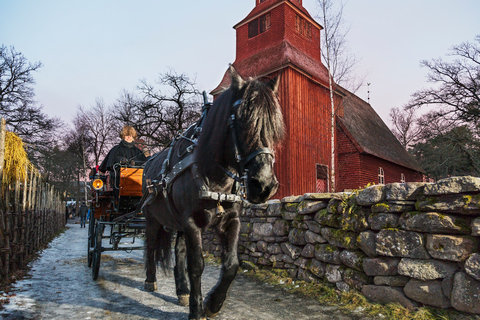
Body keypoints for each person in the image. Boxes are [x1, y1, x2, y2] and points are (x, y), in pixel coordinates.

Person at [98, 125, 150, 200]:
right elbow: (112, 159)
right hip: (119, 179)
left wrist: (135, 163)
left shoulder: (138, 152)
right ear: (123, 136)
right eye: (126, 135)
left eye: (131, 135)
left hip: (136, 181)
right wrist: (121, 160)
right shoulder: (116, 149)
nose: (128, 137)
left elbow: (144, 163)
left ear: (133, 137)